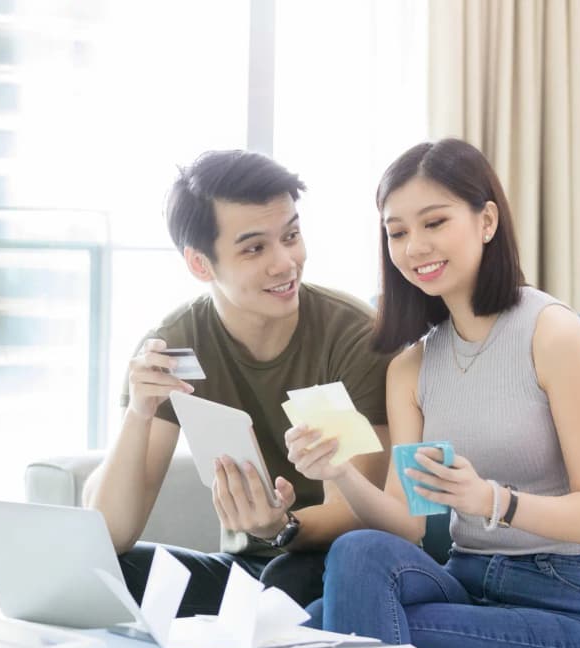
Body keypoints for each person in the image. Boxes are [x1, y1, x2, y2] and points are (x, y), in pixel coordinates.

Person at [286, 138, 580, 648]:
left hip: (571, 603)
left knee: (326, 630)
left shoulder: (551, 334)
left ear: (486, 220)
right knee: (358, 553)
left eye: (434, 222)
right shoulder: (412, 367)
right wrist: (340, 473)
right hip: (467, 585)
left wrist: (491, 500)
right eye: (396, 232)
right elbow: (407, 522)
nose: (414, 247)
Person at [83, 150, 392, 615]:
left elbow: (359, 512)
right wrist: (138, 414)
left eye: (291, 236)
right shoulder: (175, 346)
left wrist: (281, 528)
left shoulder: (351, 337)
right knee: (105, 573)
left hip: (338, 566)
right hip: (245, 571)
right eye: (254, 249)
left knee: (289, 577)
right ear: (200, 264)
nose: (285, 263)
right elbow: (110, 534)